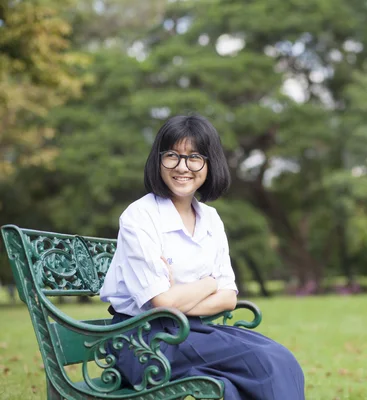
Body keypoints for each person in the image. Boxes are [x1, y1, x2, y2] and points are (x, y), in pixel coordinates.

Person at [99, 114, 305, 399]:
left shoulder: (210, 218)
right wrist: (209, 284)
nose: (183, 167)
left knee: (279, 359)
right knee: (267, 363)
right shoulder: (140, 216)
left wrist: (181, 295)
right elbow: (162, 303)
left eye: (194, 157)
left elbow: (228, 297)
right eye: (172, 156)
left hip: (190, 333)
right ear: (159, 161)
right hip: (143, 344)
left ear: (209, 164)